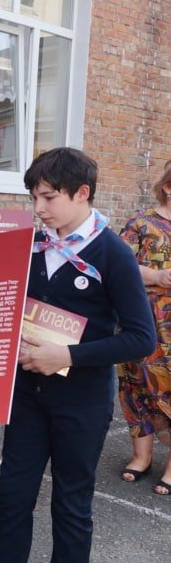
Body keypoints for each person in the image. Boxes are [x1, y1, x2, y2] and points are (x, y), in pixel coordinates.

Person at [0, 147, 155, 562]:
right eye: (33, 198)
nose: (38, 208)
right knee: (12, 498)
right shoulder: (29, 246)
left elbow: (141, 338)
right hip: (27, 394)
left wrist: (67, 355)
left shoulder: (113, 253)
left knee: (71, 505)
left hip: (81, 401)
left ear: (82, 193)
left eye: (48, 197)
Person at [118, 161, 171, 496]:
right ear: (167, 186)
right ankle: (141, 457)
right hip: (141, 318)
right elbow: (119, 263)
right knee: (135, 383)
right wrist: (156, 277)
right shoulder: (140, 222)